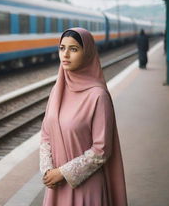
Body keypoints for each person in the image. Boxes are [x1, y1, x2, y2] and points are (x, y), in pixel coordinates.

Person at [39, 27, 128, 206]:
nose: (65, 54)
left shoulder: (98, 96)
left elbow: (101, 150)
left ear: (86, 53)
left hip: (86, 189)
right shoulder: (57, 91)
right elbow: (45, 135)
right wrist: (48, 171)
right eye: (62, 48)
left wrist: (63, 173)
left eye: (73, 49)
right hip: (56, 187)